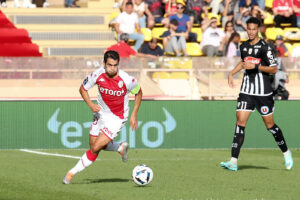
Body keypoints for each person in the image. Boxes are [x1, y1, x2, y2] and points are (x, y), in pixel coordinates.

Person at [220, 17, 293, 171]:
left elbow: (273, 69)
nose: (251, 32)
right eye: (249, 29)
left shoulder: (266, 47)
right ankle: (233, 161)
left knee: (270, 126)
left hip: (263, 93)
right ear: (246, 29)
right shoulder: (244, 45)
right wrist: (231, 73)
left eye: (254, 29)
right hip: (246, 90)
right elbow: (243, 62)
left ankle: (286, 153)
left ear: (258, 29)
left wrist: (257, 65)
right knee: (240, 123)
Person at [62, 50, 143, 184]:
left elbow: (139, 93)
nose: (112, 68)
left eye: (115, 65)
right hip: (100, 114)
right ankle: (119, 147)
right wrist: (91, 105)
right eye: (110, 65)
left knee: (95, 148)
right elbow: (82, 89)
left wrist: (134, 114)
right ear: (104, 63)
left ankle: (71, 173)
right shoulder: (97, 75)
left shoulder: (127, 80)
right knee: (95, 145)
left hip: (116, 118)